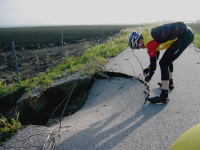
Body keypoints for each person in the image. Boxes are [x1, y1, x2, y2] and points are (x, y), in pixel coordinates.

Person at [128, 22, 194, 104]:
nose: (138, 49)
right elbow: (156, 56)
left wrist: (149, 77)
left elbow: (154, 65)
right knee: (167, 59)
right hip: (186, 33)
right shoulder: (147, 36)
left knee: (164, 63)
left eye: (137, 46)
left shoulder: (149, 44)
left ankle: (164, 97)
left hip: (184, 36)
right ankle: (170, 83)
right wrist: (148, 69)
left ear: (139, 41)